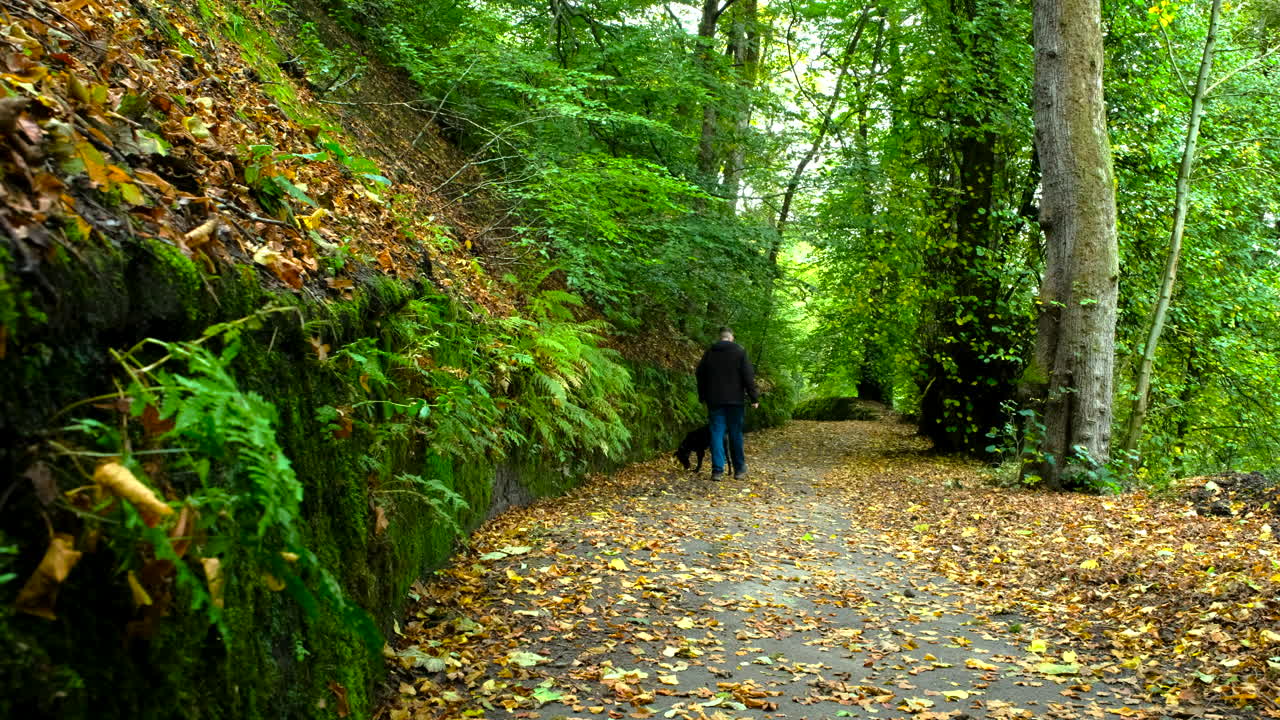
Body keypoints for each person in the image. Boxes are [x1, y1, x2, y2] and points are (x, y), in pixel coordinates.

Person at [695, 326, 760, 481]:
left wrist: (702, 396)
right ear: (732, 337)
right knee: (735, 433)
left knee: (716, 433)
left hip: (714, 400)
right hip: (735, 401)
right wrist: (754, 398)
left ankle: (717, 471)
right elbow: (748, 376)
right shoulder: (739, 352)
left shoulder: (710, 353)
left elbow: (700, 374)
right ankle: (739, 470)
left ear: (720, 337)